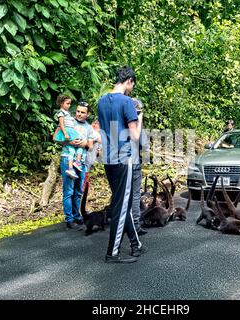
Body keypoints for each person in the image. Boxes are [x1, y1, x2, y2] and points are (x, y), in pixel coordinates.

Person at [98, 66, 146, 264]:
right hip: (123, 158)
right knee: (120, 206)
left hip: (108, 157)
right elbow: (135, 136)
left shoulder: (101, 101)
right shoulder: (127, 102)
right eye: (132, 86)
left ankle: (136, 244)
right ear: (130, 81)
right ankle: (113, 252)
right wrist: (139, 116)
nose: (131, 90)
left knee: (121, 203)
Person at [60, 101, 94, 230]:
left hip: (82, 161)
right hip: (67, 159)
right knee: (68, 190)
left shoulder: (89, 128)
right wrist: (68, 140)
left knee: (78, 191)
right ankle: (69, 219)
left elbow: (90, 147)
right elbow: (55, 138)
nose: (79, 114)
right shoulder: (68, 122)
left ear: (88, 114)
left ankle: (77, 215)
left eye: (82, 112)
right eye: (78, 111)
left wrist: (82, 143)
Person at [56, 95, 85, 179]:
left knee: (79, 144)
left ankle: (77, 162)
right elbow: (61, 124)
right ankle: (71, 168)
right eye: (67, 103)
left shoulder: (67, 113)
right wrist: (65, 133)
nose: (69, 105)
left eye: (70, 104)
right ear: (61, 103)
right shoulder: (61, 113)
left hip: (71, 131)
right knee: (71, 150)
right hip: (68, 131)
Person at [130, 98, 148, 236]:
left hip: (119, 161)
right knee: (135, 195)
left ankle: (122, 223)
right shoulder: (137, 124)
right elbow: (144, 144)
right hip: (134, 161)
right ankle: (135, 225)